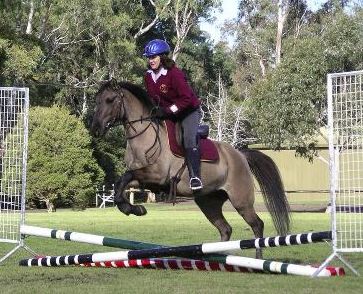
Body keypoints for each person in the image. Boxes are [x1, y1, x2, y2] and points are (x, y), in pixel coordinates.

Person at [143, 39, 203, 191]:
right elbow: (152, 98)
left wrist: (168, 111)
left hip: (188, 111)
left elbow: (186, 99)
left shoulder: (174, 74)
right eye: (149, 57)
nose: (151, 60)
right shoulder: (148, 76)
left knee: (188, 138)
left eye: (154, 57)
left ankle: (195, 176)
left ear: (162, 57)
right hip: (167, 112)